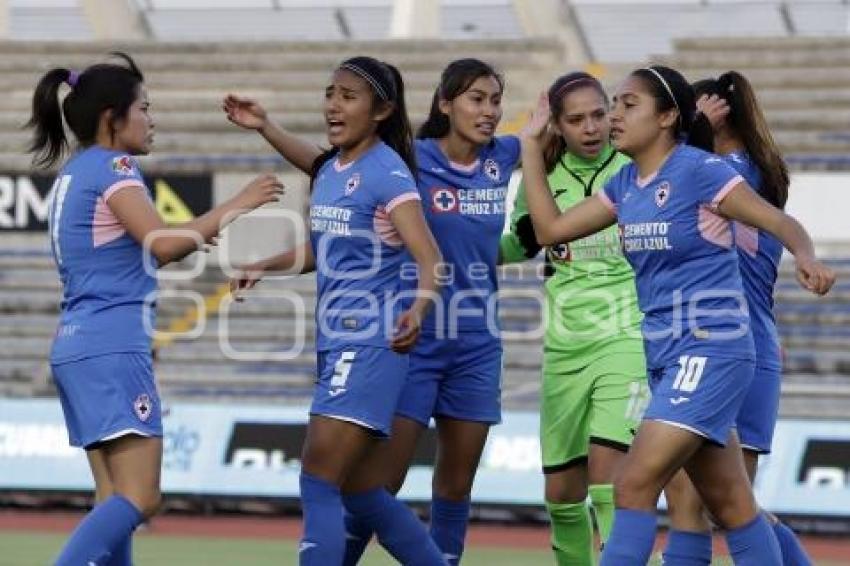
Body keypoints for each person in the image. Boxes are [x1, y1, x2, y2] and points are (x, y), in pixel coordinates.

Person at [518, 64, 835, 565]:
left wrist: (808, 257)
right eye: (615, 104)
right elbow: (550, 230)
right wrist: (532, 150)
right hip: (666, 355)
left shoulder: (699, 170)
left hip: (711, 346)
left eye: (627, 105)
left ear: (667, 117)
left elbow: (779, 221)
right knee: (731, 504)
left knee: (632, 483)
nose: (613, 117)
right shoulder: (625, 185)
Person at [226, 58, 519, 566]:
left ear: (382, 109)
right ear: (445, 104)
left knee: (322, 477)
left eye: (347, 95)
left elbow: (431, 257)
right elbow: (332, 237)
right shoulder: (347, 169)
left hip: (386, 338)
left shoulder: (392, 170)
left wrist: (419, 305)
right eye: (330, 93)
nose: (333, 104)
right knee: (364, 488)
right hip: (371, 341)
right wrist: (267, 263)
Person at [28, 52, 283, 565]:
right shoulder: (115, 167)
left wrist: (190, 236)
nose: (152, 119)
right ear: (112, 118)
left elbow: (126, 253)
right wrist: (240, 202)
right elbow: (162, 244)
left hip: (77, 347)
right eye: (144, 107)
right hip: (113, 347)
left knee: (113, 499)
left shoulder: (72, 175)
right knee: (142, 498)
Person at [661, 71, 813, 566]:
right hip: (743, 344)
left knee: (711, 503)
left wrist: (692, 131)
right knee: (717, 501)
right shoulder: (755, 170)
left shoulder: (718, 173)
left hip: (724, 348)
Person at [500, 71, 647, 564]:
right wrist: (454, 247)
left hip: (627, 335)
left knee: (610, 481)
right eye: (577, 119)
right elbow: (521, 241)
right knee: (562, 495)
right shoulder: (543, 174)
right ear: (557, 127)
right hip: (564, 346)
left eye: (599, 115)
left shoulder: (634, 166)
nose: (591, 127)